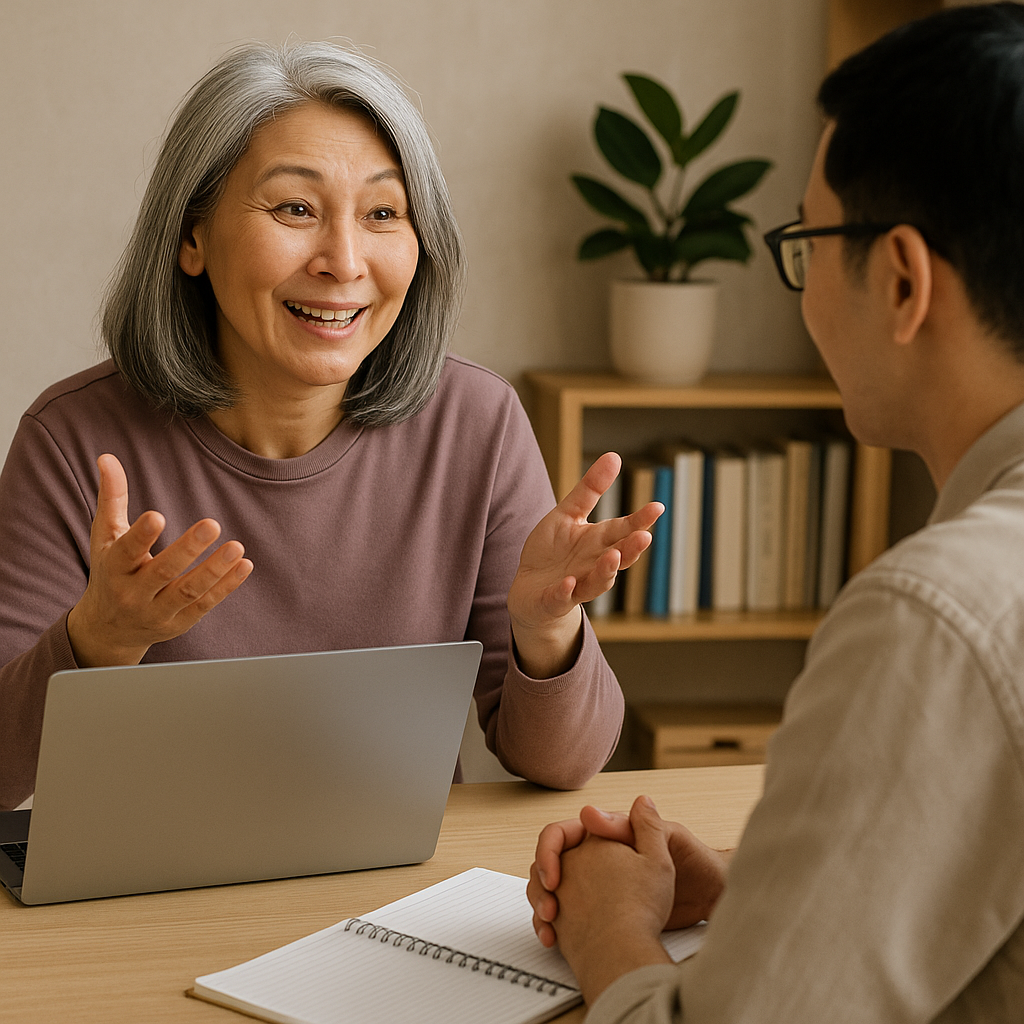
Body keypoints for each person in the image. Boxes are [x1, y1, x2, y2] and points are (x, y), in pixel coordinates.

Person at [0, 41, 661, 811]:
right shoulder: (73, 441)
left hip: (395, 905)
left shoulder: (474, 422)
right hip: (148, 914)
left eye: (383, 213)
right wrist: (98, 642)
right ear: (192, 236)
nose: (344, 261)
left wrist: (547, 633)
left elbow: (564, 765)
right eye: (295, 209)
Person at [527, 5, 1024, 1021]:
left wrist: (608, 927)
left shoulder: (935, 615)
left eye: (805, 241)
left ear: (899, 279)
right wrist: (770, 889)